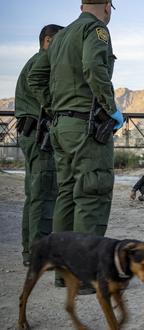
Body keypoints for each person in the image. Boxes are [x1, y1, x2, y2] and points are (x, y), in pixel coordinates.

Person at [27, 0, 121, 293]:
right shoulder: (95, 30)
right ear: (107, 6)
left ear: (82, 4)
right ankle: (84, 277)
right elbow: (94, 67)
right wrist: (109, 106)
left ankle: (63, 273)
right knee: (92, 192)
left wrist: (55, 106)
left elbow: (34, 76)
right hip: (86, 127)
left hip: (61, 127)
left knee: (66, 195)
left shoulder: (61, 36)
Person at [15, 24, 63, 266]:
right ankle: (38, 253)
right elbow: (43, 91)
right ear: (48, 40)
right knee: (44, 194)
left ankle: (31, 251)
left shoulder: (37, 61)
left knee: (35, 195)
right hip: (38, 137)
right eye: (60, 41)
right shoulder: (42, 62)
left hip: (33, 134)